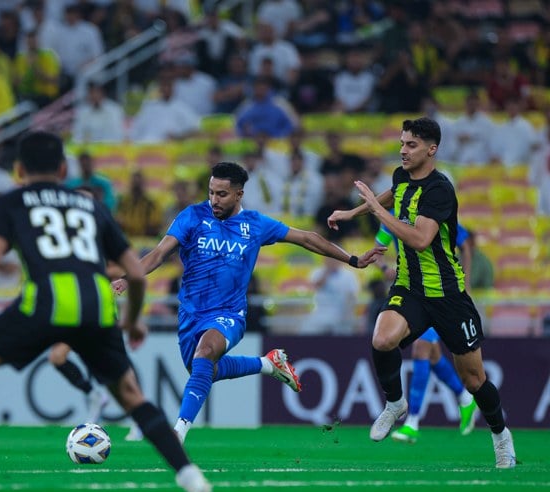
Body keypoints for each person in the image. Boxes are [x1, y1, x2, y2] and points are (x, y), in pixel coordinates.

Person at [0, 131, 212, 492]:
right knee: (131, 396)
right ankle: (191, 478)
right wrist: (133, 319)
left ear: (17, 170)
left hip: (44, 301)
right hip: (95, 305)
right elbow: (136, 272)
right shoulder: (90, 205)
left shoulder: (9, 203)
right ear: (63, 169)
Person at [114, 161, 386, 443]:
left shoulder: (255, 224)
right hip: (191, 314)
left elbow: (307, 238)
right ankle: (268, 364)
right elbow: (159, 253)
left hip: (230, 314)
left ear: (239, 195)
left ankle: (178, 432)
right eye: (211, 192)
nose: (213, 200)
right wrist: (126, 278)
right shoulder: (192, 216)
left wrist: (352, 259)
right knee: (203, 369)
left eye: (221, 194)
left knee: (206, 351)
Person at [327, 117, 516, 468]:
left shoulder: (440, 190)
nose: (403, 150)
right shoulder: (402, 176)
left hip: (448, 295)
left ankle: (500, 434)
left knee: (474, 380)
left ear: (432, 149)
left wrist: (377, 210)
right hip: (410, 287)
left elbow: (419, 238)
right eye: (402, 143)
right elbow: (391, 193)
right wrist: (354, 211)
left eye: (411, 145)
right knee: (382, 339)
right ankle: (395, 403)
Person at [373, 221, 478, 443]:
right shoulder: (391, 215)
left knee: (422, 349)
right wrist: (384, 269)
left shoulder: (434, 209)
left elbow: (465, 245)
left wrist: (465, 283)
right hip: (411, 296)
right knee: (431, 353)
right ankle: (464, 397)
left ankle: (412, 422)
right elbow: (377, 248)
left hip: (440, 294)